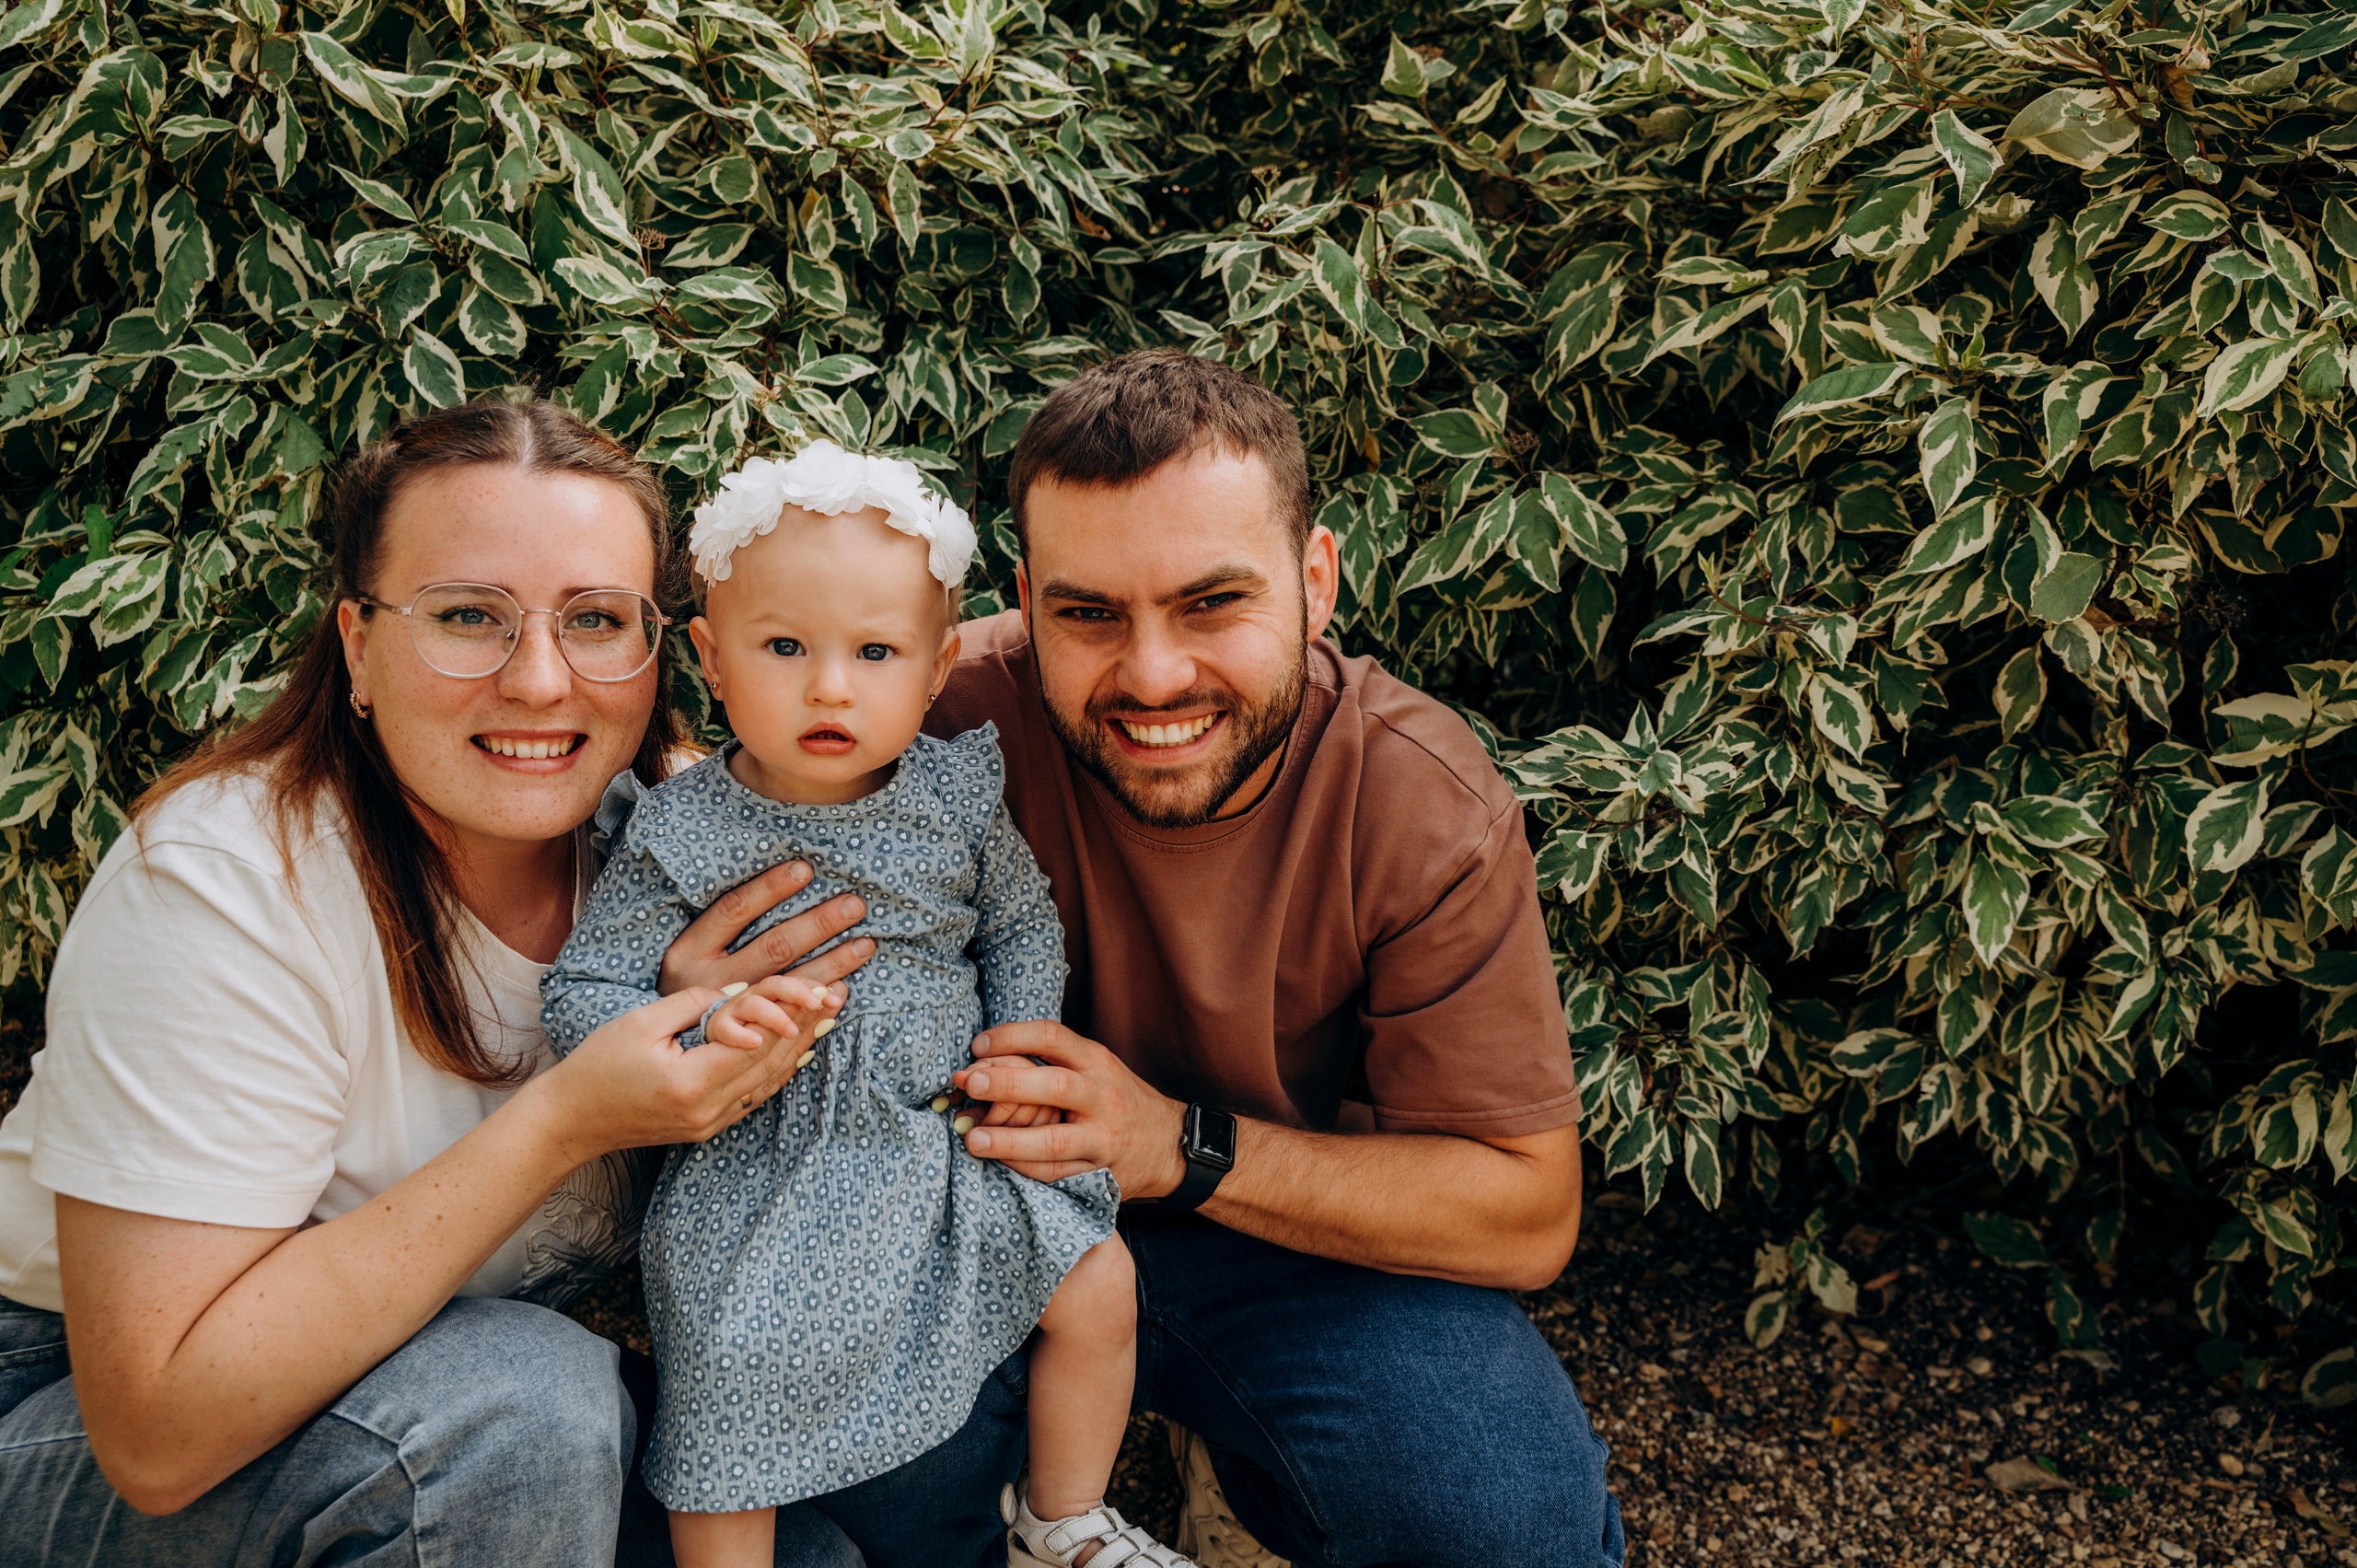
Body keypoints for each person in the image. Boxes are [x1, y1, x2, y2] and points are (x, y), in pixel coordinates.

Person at [0, 399, 1022, 1567]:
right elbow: (159, 1430)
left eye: (595, 620)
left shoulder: (700, 839)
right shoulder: (222, 887)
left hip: (460, 1409)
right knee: (519, 1407)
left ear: (664, 651)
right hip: (85, 1414)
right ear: (357, 645)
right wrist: (568, 1118)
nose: (540, 681)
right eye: (467, 615)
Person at [923, 350, 1628, 1566]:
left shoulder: (1419, 796)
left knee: (1506, 1526)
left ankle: (1236, 1461)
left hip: (1282, 1234)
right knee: (832, 1472)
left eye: (1211, 603)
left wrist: (1178, 1145)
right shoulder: (929, 708)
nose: (1151, 676)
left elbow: (1525, 1209)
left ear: (1316, 580)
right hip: (968, 1215)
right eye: (1088, 614)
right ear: (1027, 601)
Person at [541, 441, 1194, 1568]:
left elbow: (1022, 919)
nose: (830, 685)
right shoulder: (681, 828)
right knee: (727, 1363)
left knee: (1097, 1277)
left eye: (875, 651)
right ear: (710, 656)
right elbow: (582, 995)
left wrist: (1020, 1046)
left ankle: (1062, 1515)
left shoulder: (951, 795)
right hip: (767, 1161)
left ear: (938, 667)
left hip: (948, 1126)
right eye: (785, 646)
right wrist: (696, 1028)